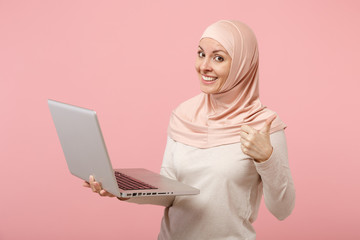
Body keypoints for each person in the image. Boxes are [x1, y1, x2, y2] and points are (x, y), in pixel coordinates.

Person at [83, 20, 295, 239]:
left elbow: (283, 209)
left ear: (243, 64)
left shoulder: (263, 125)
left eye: (218, 58)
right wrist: (122, 190)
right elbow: (171, 192)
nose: (204, 66)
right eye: (201, 54)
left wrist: (266, 159)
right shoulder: (184, 114)